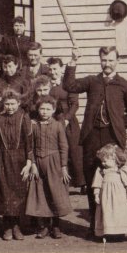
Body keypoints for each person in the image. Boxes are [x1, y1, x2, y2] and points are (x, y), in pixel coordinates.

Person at [63, 46, 127, 232]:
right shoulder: (92, 81)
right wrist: (73, 61)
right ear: (100, 60)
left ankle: (116, 225)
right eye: (104, 60)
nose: (107, 64)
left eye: (111, 60)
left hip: (112, 138)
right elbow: (69, 85)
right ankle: (95, 225)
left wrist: (118, 127)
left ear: (117, 61)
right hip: (91, 137)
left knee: (114, 180)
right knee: (92, 181)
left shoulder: (125, 85)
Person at [25, 95, 73, 239]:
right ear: (38, 109)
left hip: (54, 163)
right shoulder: (33, 125)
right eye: (42, 109)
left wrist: (63, 166)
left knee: (55, 194)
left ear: (53, 110)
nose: (44, 111)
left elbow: (64, 147)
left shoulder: (58, 125)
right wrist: (32, 164)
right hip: (38, 164)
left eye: (48, 109)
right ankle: (43, 226)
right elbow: (30, 147)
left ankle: (56, 226)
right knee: (41, 194)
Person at [0, 89, 32, 240]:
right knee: (4, 192)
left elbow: (29, 142)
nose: (10, 107)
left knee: (18, 193)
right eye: (7, 104)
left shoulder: (23, 117)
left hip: (19, 159)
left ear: (19, 103)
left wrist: (28, 162)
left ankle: (16, 226)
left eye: (13, 104)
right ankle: (7, 227)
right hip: (2, 159)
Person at [48, 57, 84, 191]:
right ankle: (63, 182)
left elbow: (75, 104)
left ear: (61, 69)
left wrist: (68, 118)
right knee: (58, 150)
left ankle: (81, 182)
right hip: (53, 119)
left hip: (69, 119)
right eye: (50, 69)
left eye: (55, 69)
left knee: (74, 150)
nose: (53, 72)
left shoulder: (67, 83)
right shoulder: (47, 84)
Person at [92, 144, 127, 238]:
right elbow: (97, 184)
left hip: (120, 196)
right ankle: (109, 231)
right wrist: (96, 194)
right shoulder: (101, 171)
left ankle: (120, 231)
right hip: (106, 197)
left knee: (120, 212)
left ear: (114, 158)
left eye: (105, 161)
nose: (103, 163)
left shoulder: (121, 170)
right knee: (107, 213)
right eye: (102, 161)